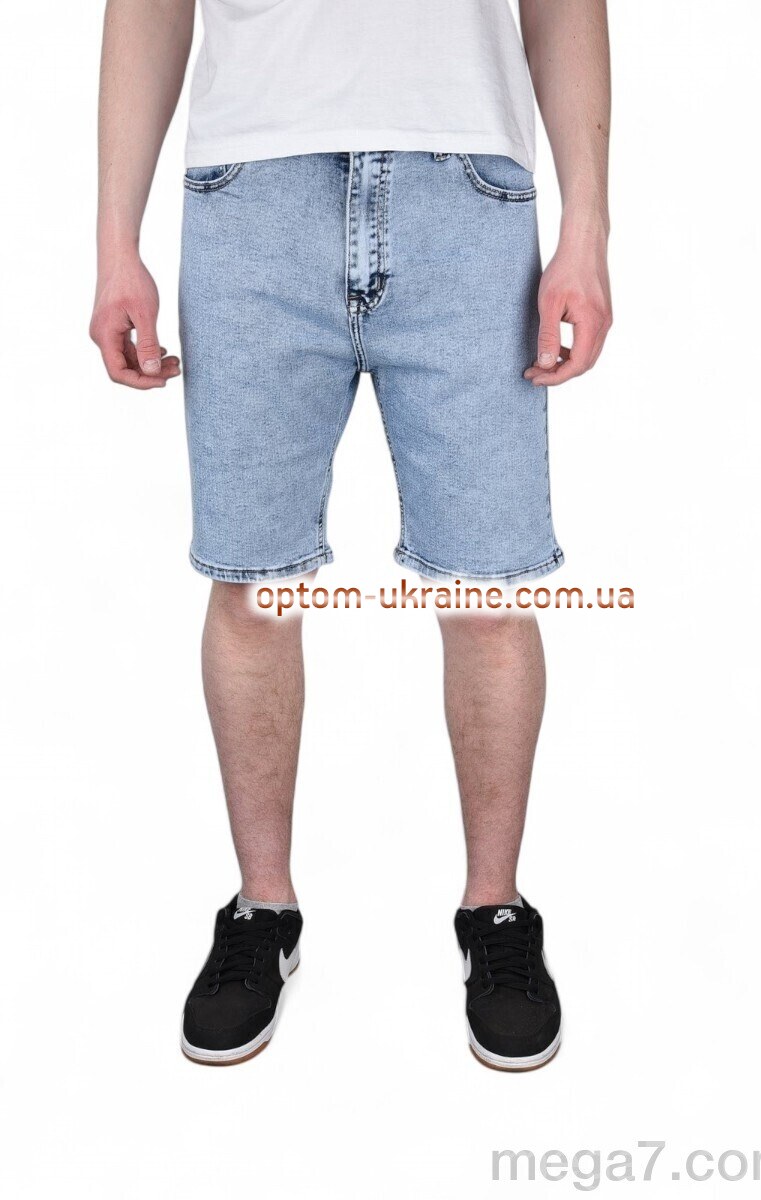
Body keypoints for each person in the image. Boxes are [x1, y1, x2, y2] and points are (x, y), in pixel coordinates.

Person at [90, 0, 612, 1070]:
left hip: (467, 194)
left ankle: (496, 913)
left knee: (487, 588)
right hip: (251, 195)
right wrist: (114, 245)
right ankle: (262, 912)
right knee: (254, 585)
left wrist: (587, 230)